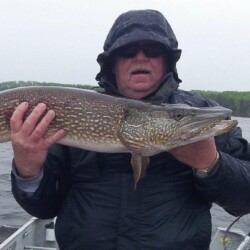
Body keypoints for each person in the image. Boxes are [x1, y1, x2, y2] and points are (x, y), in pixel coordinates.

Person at [10, 9, 250, 250]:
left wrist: (211, 164)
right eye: (128, 51)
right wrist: (28, 171)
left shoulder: (199, 111)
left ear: (167, 60)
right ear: (112, 64)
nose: (140, 58)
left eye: (153, 50)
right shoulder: (65, 111)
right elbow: (43, 208)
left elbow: (245, 199)